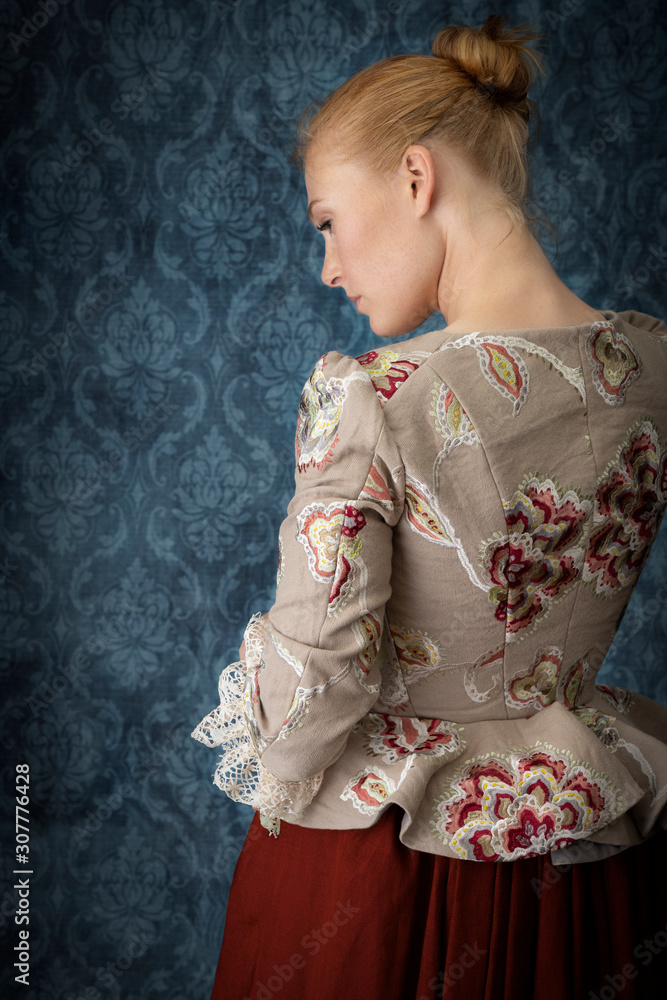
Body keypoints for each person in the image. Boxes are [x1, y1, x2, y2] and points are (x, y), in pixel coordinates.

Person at [193, 14, 667, 999]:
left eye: (326, 220)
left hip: (387, 872)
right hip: (589, 868)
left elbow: (319, 679)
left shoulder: (374, 392)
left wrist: (274, 756)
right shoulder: (652, 366)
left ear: (416, 179)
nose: (326, 266)